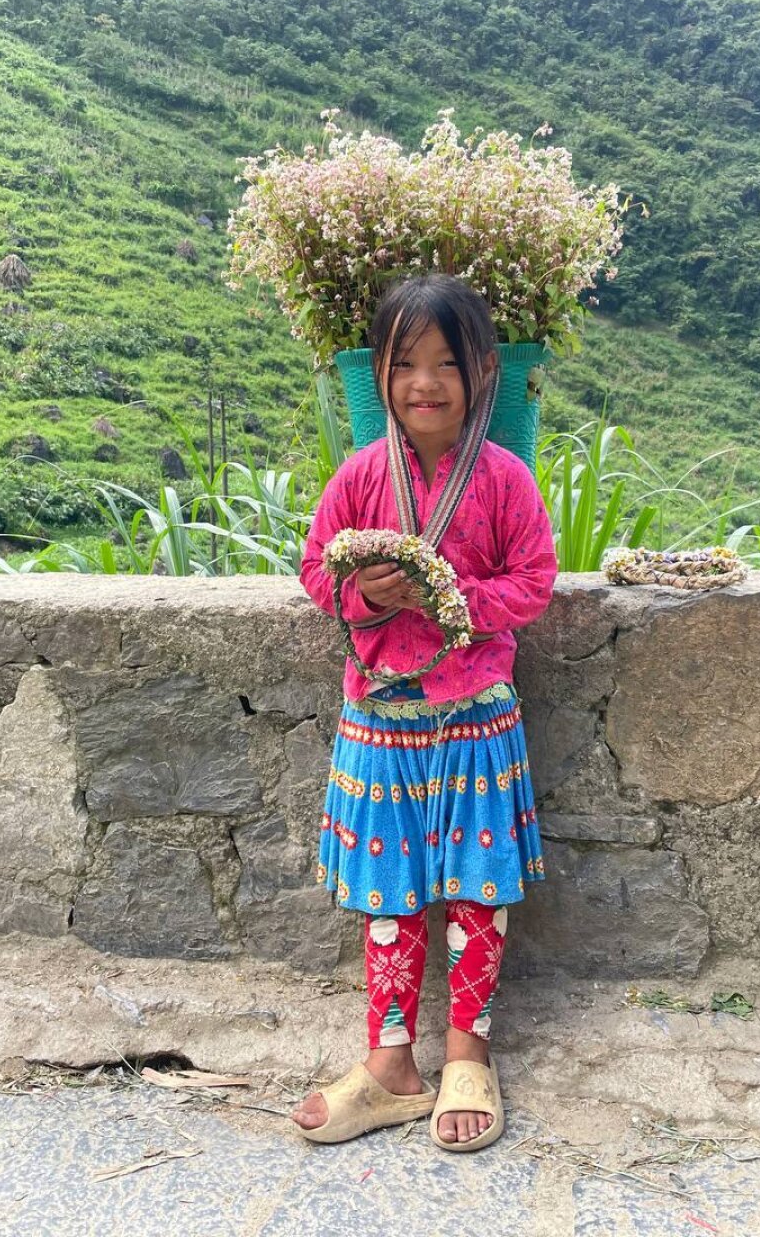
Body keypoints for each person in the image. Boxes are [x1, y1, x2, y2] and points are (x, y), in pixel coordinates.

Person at [292, 272, 558, 1153]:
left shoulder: (506, 480)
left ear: (483, 369)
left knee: (479, 890)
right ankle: (392, 1062)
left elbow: (533, 582)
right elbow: (314, 571)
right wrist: (363, 594)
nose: (425, 383)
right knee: (389, 895)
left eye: (447, 362)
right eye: (405, 363)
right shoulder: (361, 477)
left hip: (475, 712)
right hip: (381, 714)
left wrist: (451, 598)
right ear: (378, 375)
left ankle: (467, 1054)